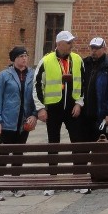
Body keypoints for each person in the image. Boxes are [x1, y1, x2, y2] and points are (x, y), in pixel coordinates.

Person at [33, 30, 84, 195]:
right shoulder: (46, 61)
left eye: (72, 42)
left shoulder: (77, 59)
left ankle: (79, 179)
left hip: (72, 108)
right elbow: (36, 86)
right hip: (53, 108)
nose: (71, 45)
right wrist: (40, 108)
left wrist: (79, 103)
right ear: (59, 44)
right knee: (53, 143)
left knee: (77, 143)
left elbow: (83, 83)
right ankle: (52, 180)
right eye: (68, 42)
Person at [0, 46, 37, 199]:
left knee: (18, 155)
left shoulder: (32, 75)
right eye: (21, 56)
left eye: (26, 56)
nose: (24, 59)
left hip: (24, 122)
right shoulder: (5, 75)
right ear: (14, 59)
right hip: (8, 121)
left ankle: (15, 185)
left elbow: (36, 97)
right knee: (3, 155)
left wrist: (34, 115)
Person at [81, 37, 108, 141]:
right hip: (85, 115)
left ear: (104, 49)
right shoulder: (84, 64)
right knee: (82, 148)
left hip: (102, 116)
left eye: (97, 48)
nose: (94, 51)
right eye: (92, 48)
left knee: (101, 150)